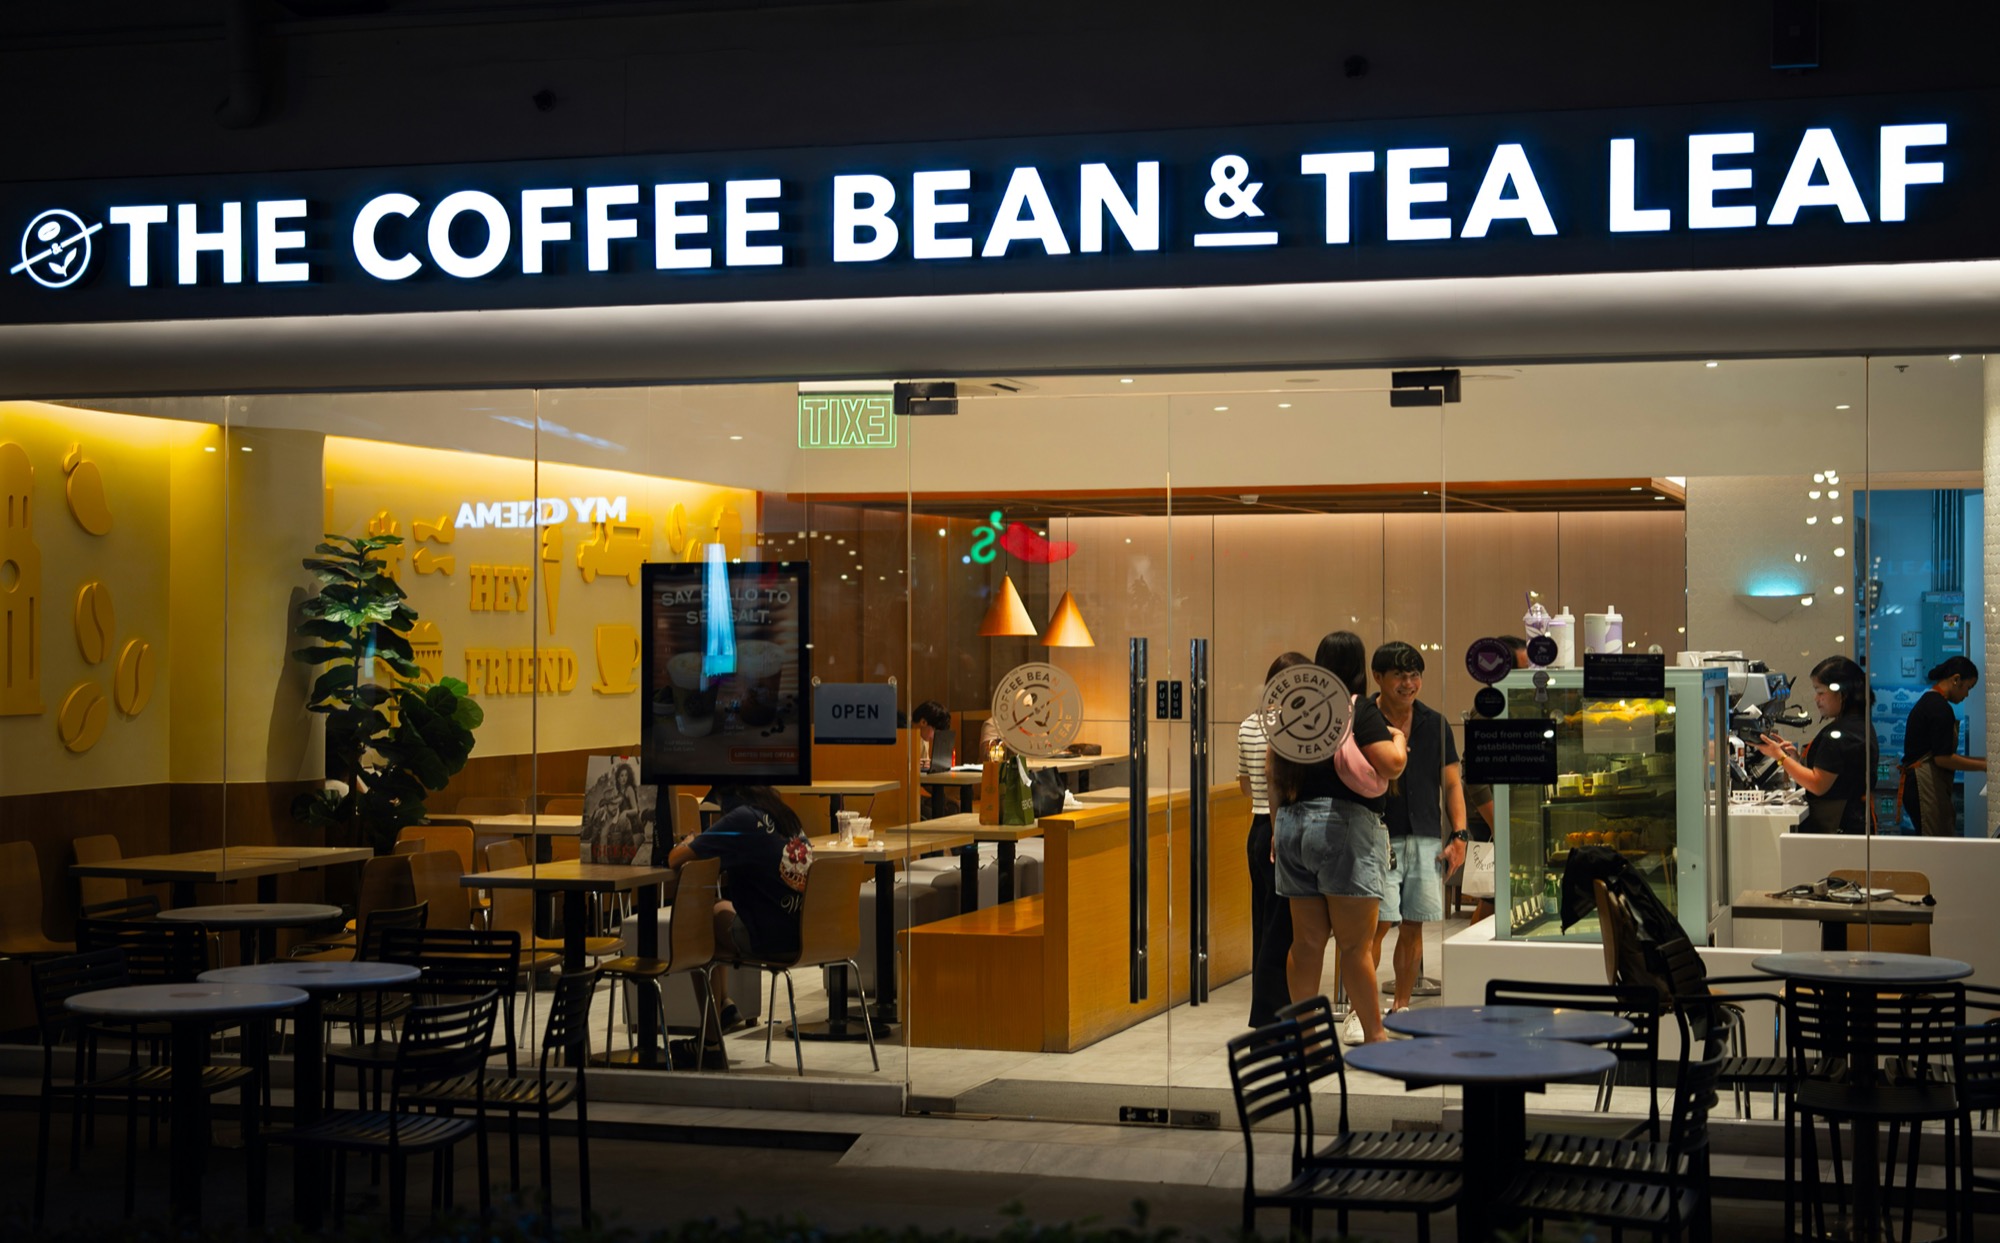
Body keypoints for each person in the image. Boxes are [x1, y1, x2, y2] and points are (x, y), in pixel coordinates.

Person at [1271, 630, 1407, 1045]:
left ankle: (1308, 1039)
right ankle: (1375, 1036)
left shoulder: (1296, 706)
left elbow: (1272, 773)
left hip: (1292, 827)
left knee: (1306, 943)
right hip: (1343, 828)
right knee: (1355, 946)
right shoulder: (1357, 709)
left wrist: (1279, 830)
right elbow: (1392, 765)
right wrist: (1399, 736)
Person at [667, 784, 812, 1064]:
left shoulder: (741, 818)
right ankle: (723, 1007)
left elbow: (676, 859)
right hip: (805, 931)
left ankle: (711, 1039)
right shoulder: (784, 815)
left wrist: (691, 840)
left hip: (773, 938)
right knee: (717, 918)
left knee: (699, 923)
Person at [1367, 641, 1468, 1014]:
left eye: (1415, 675)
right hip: (1377, 837)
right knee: (1377, 925)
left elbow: (1452, 783)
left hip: (1426, 838)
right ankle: (1366, 1008)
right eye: (1399, 675)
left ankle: (1401, 1005)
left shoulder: (1434, 723)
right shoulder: (1366, 720)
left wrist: (1459, 835)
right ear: (1379, 677)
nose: (1408, 683)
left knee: (1413, 926)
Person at [1240, 650, 1311, 1028]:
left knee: (1262, 921)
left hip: (1257, 828)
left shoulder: (1249, 725)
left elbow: (1243, 785)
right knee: (1283, 926)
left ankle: (1264, 1009)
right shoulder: (1297, 725)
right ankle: (1274, 1012)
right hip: (1281, 826)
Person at [1754, 655, 1875, 833]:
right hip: (1855, 822)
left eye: (1821, 692)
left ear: (1843, 693)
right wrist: (1794, 759)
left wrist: (1779, 757)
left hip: (1841, 827)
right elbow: (1829, 776)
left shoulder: (1840, 735)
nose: (1816, 699)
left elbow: (1818, 785)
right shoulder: (1858, 724)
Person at [1901, 656, 1986, 836]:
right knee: (1935, 848)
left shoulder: (1931, 702)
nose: (1967, 694)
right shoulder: (1938, 708)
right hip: (1923, 787)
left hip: (1920, 785)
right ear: (1956, 680)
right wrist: (1984, 766)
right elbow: (1943, 758)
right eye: (1968, 688)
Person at [911, 700, 958, 818]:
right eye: (934, 731)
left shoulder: (923, 740)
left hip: (916, 794)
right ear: (923, 722)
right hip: (906, 797)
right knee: (933, 814)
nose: (933, 738)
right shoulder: (903, 738)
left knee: (952, 807)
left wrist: (945, 798)